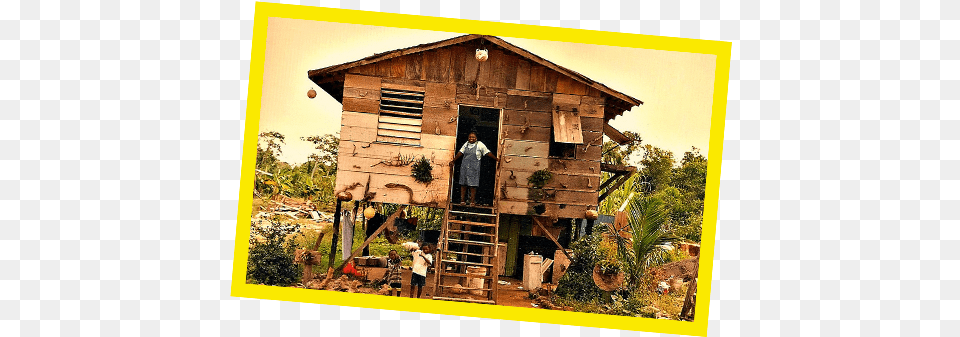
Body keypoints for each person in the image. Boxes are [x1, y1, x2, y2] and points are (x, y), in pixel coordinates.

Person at [450, 131, 499, 206]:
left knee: (473, 185)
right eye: (470, 137)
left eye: (473, 137)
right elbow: (460, 152)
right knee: (463, 184)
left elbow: (487, 152)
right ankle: (462, 200)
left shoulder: (480, 144)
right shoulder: (466, 144)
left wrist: (496, 159)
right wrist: (453, 160)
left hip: (474, 168)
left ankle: (472, 201)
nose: (471, 138)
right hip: (465, 167)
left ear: (476, 138)